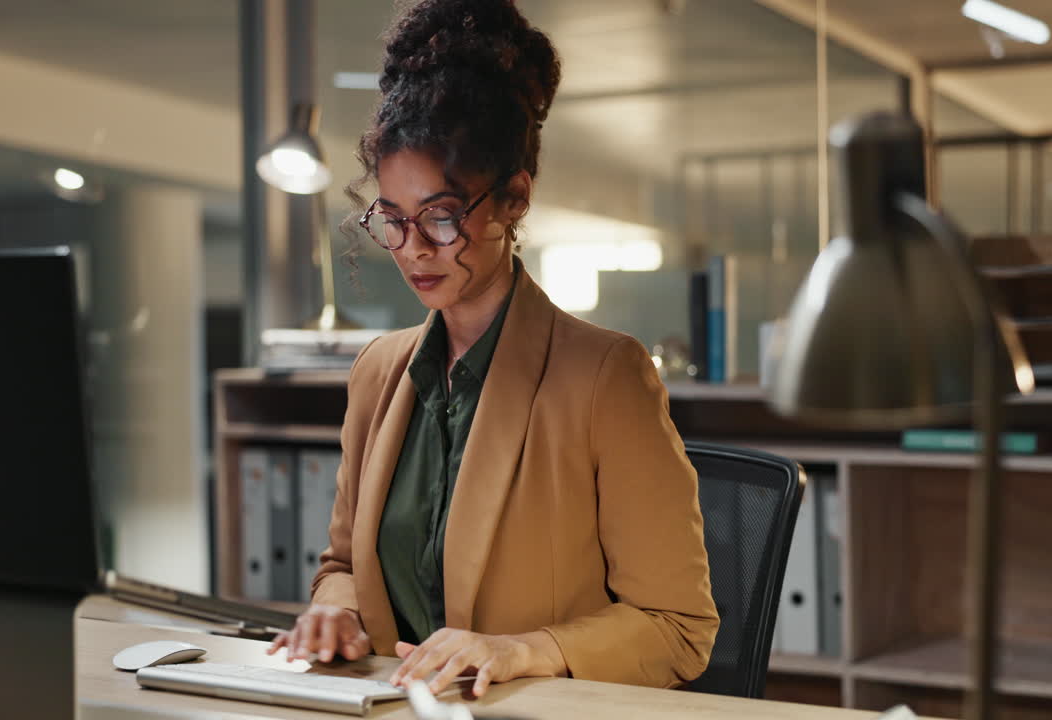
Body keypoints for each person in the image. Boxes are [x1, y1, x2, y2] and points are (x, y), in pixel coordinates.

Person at [267, 0, 718, 697]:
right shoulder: (380, 374)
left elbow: (678, 627)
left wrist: (523, 651)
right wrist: (336, 611)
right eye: (392, 218)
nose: (414, 249)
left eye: (442, 217)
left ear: (513, 198)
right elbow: (342, 564)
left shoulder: (605, 377)